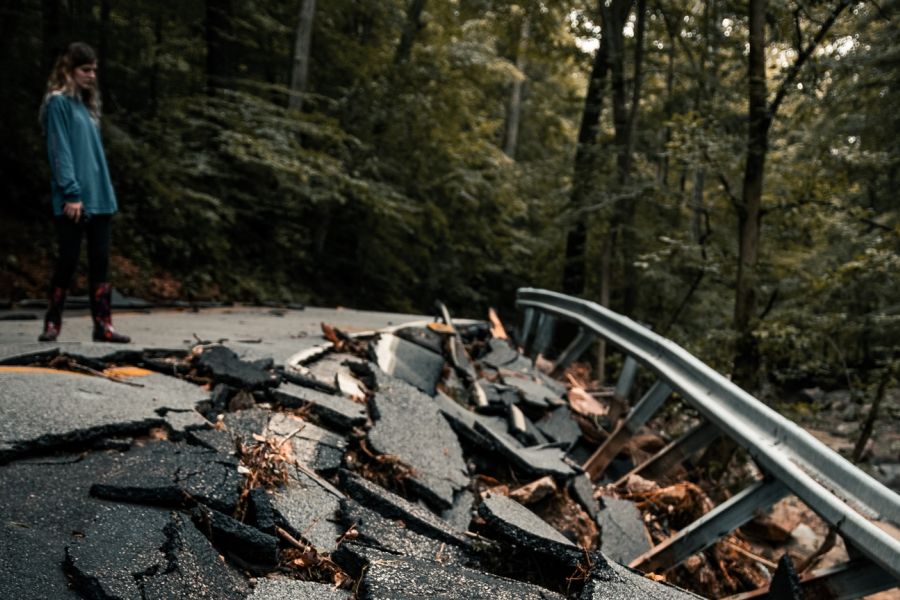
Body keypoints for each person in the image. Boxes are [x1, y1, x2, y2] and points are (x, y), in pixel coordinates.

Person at [38, 42, 130, 343]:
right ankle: (52, 322)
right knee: (67, 259)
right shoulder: (57, 103)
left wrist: (104, 194)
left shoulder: (87, 107)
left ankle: (103, 326)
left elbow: (93, 156)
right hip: (74, 198)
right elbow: (59, 151)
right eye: (85, 69)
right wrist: (71, 192)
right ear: (69, 69)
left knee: (100, 261)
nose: (91, 75)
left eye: (94, 70)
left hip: (100, 197)